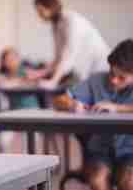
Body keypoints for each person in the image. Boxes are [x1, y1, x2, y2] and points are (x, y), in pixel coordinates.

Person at [54, 39, 133, 190]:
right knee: (97, 180)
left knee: (129, 182)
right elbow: (59, 100)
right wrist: (72, 104)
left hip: (130, 152)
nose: (114, 80)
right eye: (112, 73)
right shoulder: (96, 80)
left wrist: (117, 108)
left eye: (122, 77)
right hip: (100, 153)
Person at [30, 0, 110, 89]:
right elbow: (58, 58)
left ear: (50, 6)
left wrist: (53, 81)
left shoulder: (71, 20)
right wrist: (39, 73)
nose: (39, 15)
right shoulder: (56, 25)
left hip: (100, 66)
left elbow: (68, 54)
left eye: (41, 11)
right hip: (86, 70)